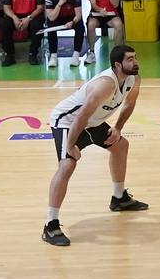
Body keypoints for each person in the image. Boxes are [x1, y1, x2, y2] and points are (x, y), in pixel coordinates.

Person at [42, 45, 149, 247]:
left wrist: (117, 128)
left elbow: (129, 104)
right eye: (129, 59)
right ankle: (50, 224)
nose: (135, 62)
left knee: (120, 146)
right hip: (68, 121)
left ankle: (119, 198)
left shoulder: (134, 79)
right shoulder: (104, 85)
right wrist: (71, 146)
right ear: (117, 65)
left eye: (135, 58)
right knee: (67, 165)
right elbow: (81, 115)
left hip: (93, 122)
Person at [43, 0, 86, 66]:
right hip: (56, 19)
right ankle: (53, 55)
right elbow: (51, 17)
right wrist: (59, 3)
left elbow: (78, 15)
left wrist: (72, 22)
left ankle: (76, 55)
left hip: (71, 19)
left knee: (80, 26)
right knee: (51, 27)